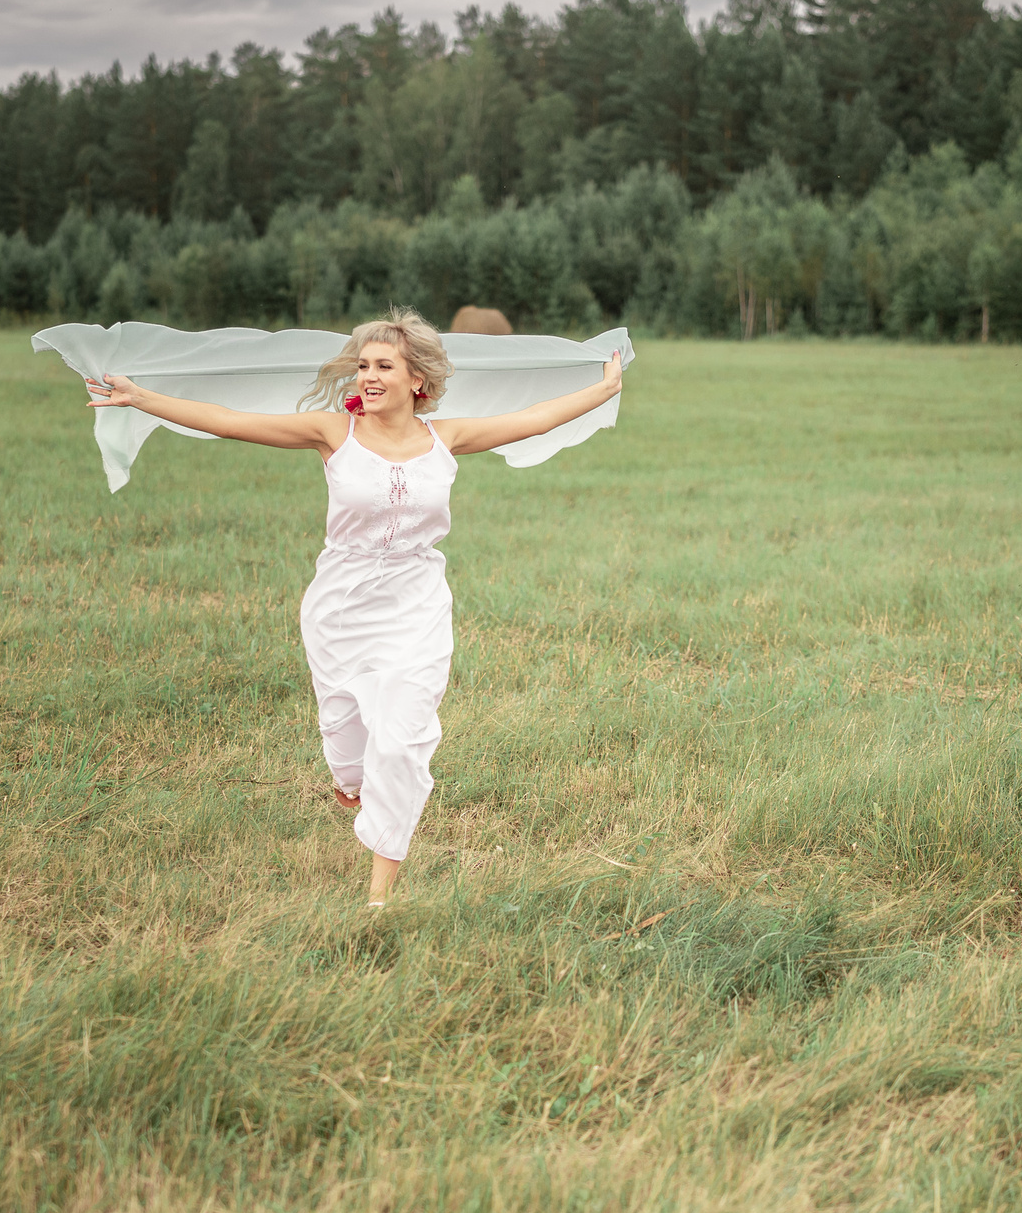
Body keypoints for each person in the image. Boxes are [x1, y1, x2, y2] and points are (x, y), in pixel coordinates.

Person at [84, 308, 624, 906]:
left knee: (402, 741)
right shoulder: (333, 433)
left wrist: (601, 391)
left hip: (418, 603)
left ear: (417, 379)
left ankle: (378, 897)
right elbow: (230, 421)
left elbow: (530, 419)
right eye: (362, 365)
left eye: (383, 365)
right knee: (349, 752)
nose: (367, 375)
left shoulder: (446, 438)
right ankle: (351, 783)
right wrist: (140, 398)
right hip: (341, 608)